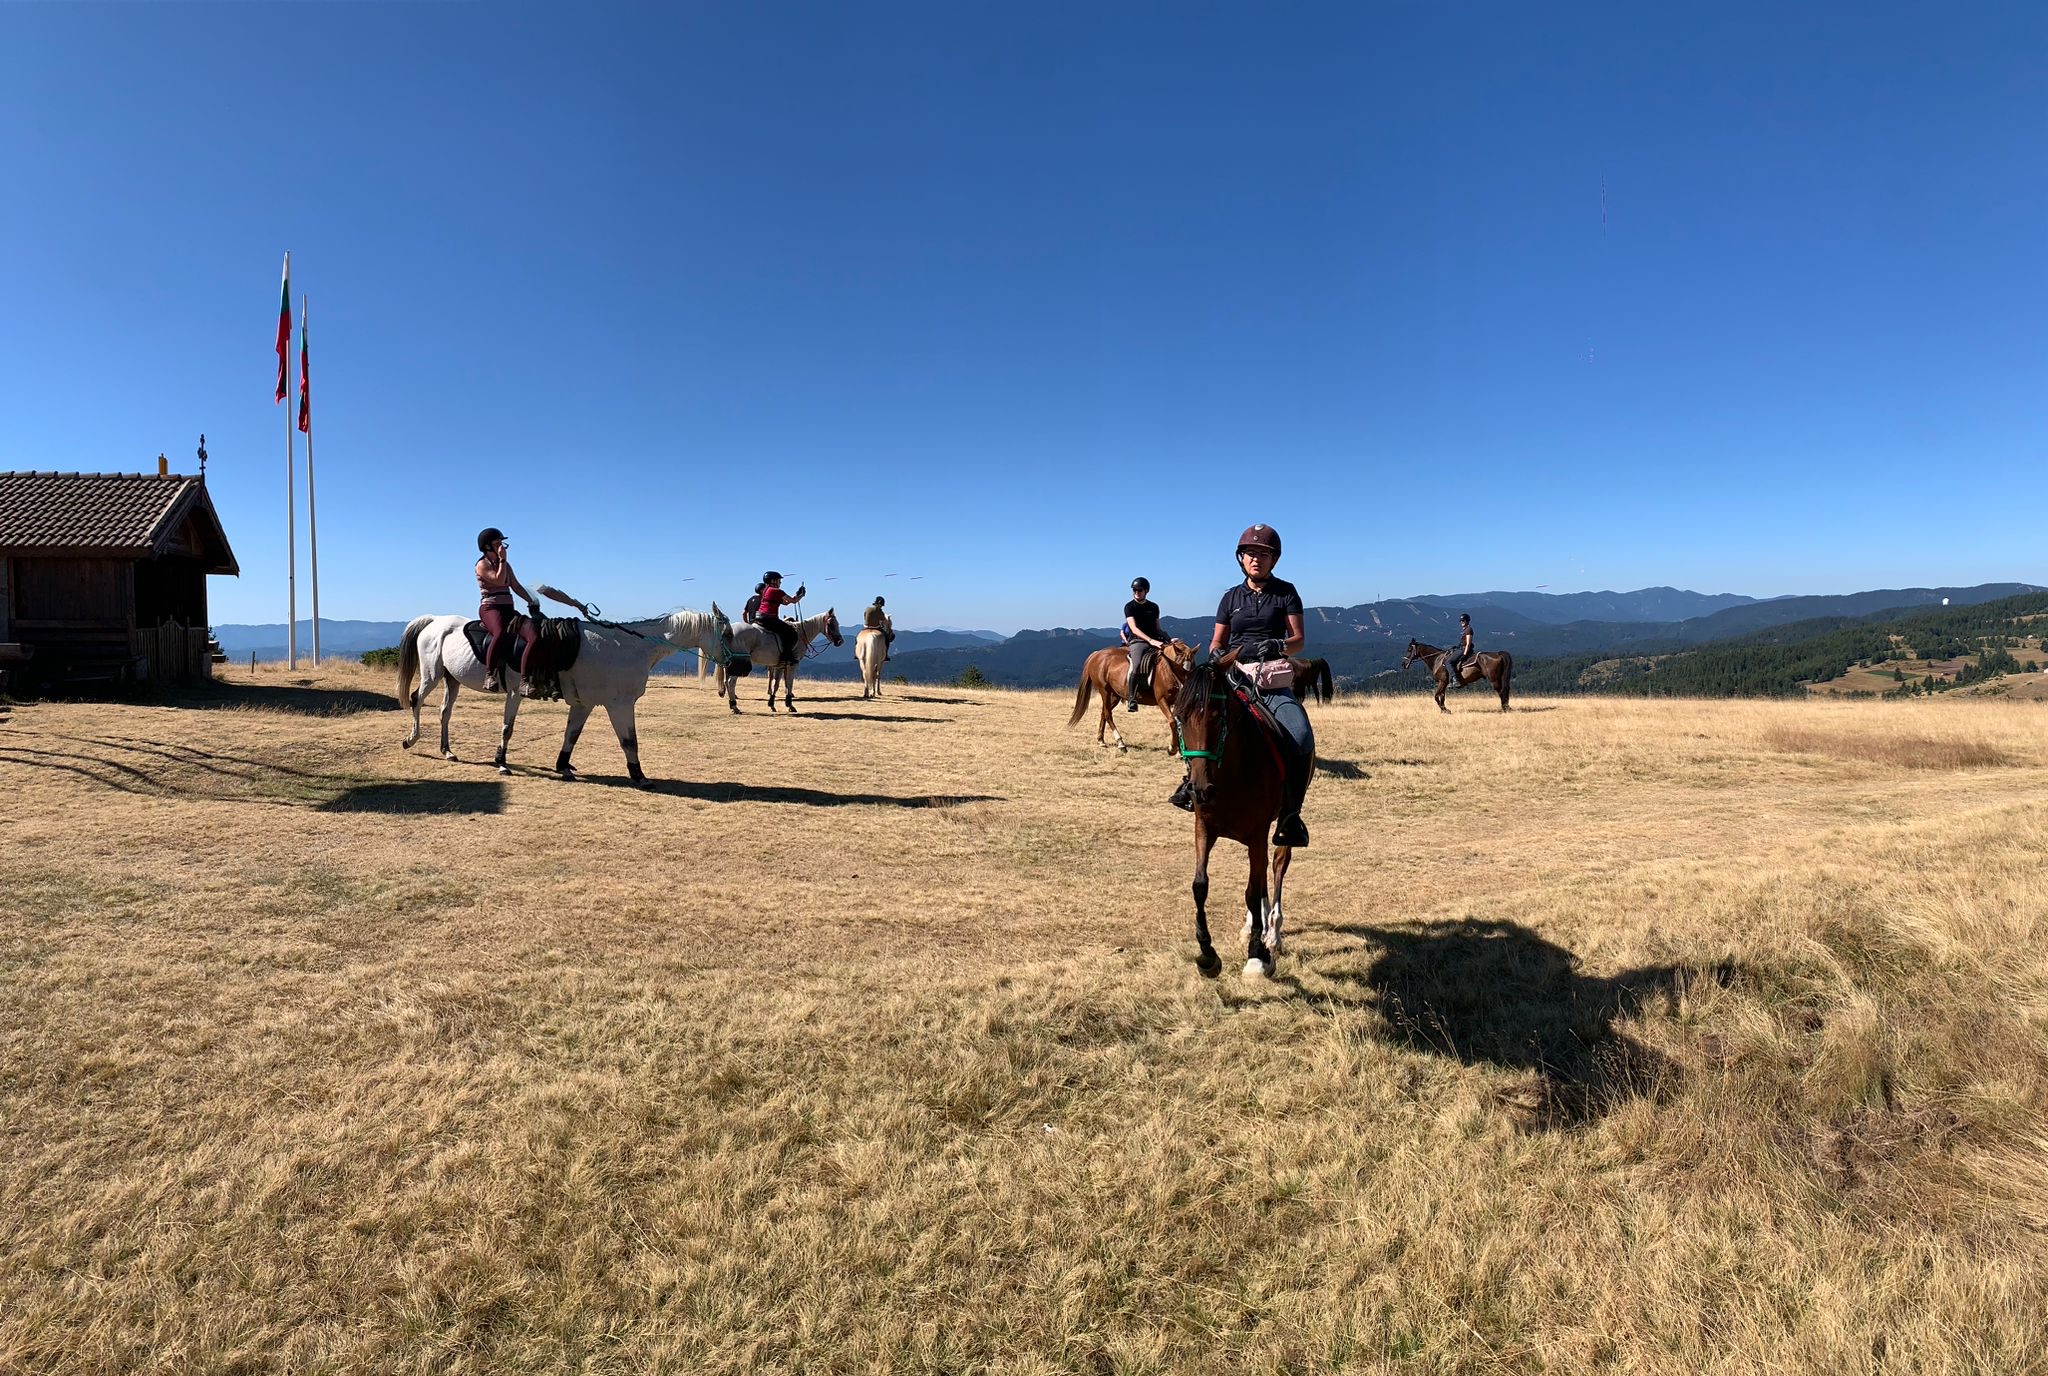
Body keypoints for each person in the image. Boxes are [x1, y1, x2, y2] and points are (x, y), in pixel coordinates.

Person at [1171, 523, 1315, 848]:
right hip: (1234, 675)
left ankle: (1291, 815)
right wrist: (1220, 653)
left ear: (1273, 560)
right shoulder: (1230, 598)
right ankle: (1189, 785)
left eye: (1263, 554)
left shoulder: (1286, 593)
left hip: (1271, 681)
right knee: (1196, 719)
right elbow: (1216, 642)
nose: (1256, 559)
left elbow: (1299, 641)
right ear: (1241, 558)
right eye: (1251, 553)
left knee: (1302, 734)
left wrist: (1277, 645)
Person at [475, 527, 540, 693]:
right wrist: (503, 561)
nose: (501, 548)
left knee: (534, 634)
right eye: (497, 544)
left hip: (508, 608)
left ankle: (525, 680)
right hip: (490, 608)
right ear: (487, 546)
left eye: (502, 544)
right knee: (500, 632)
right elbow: (498, 580)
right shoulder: (482, 565)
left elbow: (515, 586)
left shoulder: (505, 565)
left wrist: (530, 600)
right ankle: (490, 675)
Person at [1122, 577, 1166, 712]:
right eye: (1134, 590)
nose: (1136, 592)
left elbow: (1158, 628)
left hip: (1155, 639)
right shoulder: (1129, 607)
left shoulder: (1154, 607)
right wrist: (1150, 641)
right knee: (1136, 665)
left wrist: (1169, 640)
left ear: (1146, 591)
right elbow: (1134, 629)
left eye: (1139, 590)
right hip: (1138, 641)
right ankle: (1132, 698)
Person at [752, 571, 805, 663]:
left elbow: (785, 603)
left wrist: (797, 595)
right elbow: (793, 601)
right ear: (773, 581)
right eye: (779, 580)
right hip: (769, 618)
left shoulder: (766, 590)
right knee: (791, 633)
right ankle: (785, 657)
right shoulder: (777, 591)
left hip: (759, 616)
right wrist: (802, 595)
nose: (780, 582)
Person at [863, 595, 895, 659]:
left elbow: (864, 616)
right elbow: (884, 620)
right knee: (886, 639)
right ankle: (885, 654)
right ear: (881, 604)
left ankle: (856, 653)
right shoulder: (879, 611)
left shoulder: (867, 608)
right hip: (876, 627)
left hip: (866, 627)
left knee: (858, 637)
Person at [1446, 613, 1474, 681]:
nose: (1461, 622)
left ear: (1467, 621)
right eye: (1461, 621)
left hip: (1463, 650)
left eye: (1463, 621)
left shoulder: (1468, 630)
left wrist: (1464, 654)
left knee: (1448, 662)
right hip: (1461, 648)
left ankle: (1454, 678)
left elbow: (1468, 644)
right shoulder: (1465, 629)